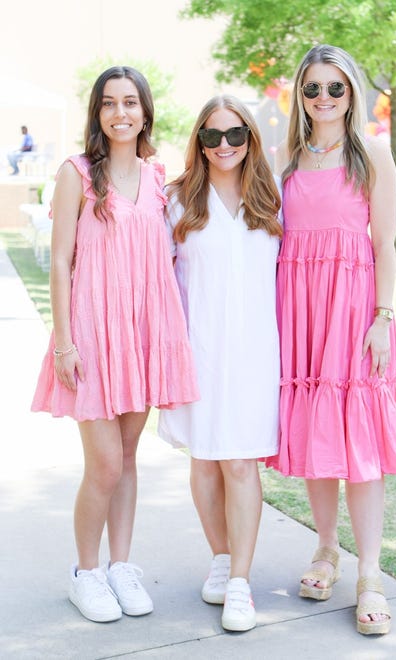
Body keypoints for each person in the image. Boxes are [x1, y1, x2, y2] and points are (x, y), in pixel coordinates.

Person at [31, 66, 199, 623]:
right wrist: (63, 341)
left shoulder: (157, 177)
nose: (120, 113)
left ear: (145, 111)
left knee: (128, 459)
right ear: (97, 113)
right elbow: (59, 261)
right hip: (92, 334)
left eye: (130, 102)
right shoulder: (76, 173)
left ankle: (122, 567)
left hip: (143, 333)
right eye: (109, 103)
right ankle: (86, 573)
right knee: (103, 464)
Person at [266, 44, 396, 635]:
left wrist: (383, 316)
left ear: (352, 92)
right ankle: (326, 549)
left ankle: (371, 573)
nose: (324, 98)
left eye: (336, 87)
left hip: (354, 311)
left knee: (360, 444)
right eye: (313, 88)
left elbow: (385, 244)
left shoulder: (372, 155)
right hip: (300, 311)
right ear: (299, 96)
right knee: (317, 431)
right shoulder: (288, 156)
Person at [158, 95, 282, 632]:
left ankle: (240, 582)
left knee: (239, 463)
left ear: (250, 139)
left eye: (235, 135)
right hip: (198, 350)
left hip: (256, 354)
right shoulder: (178, 201)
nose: (224, 146)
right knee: (205, 459)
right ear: (199, 141)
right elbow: (157, 280)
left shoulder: (272, 201)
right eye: (212, 136)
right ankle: (219, 557)